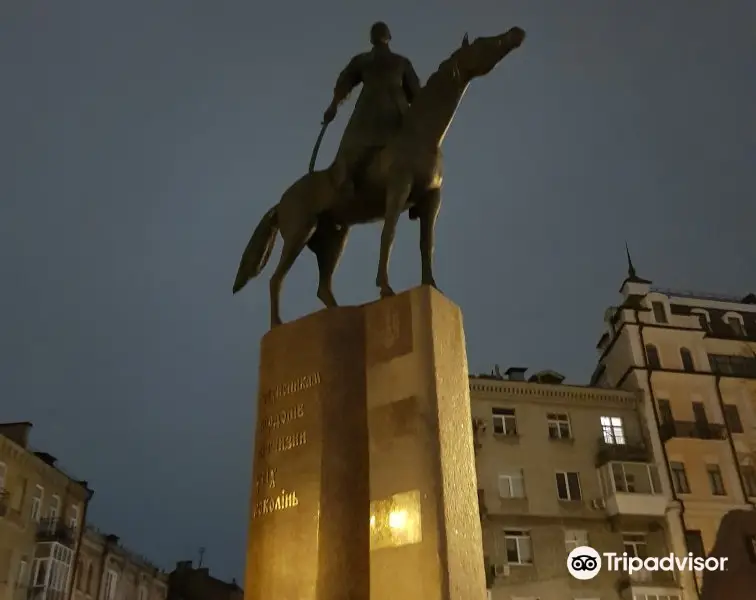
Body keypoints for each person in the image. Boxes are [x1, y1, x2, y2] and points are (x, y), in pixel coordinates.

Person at [323, 21, 421, 198]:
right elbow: (416, 94)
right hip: (386, 112)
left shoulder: (372, 60)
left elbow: (343, 85)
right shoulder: (394, 61)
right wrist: (333, 106)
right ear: (388, 38)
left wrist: (333, 106)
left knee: (351, 148)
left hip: (374, 112)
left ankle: (347, 182)